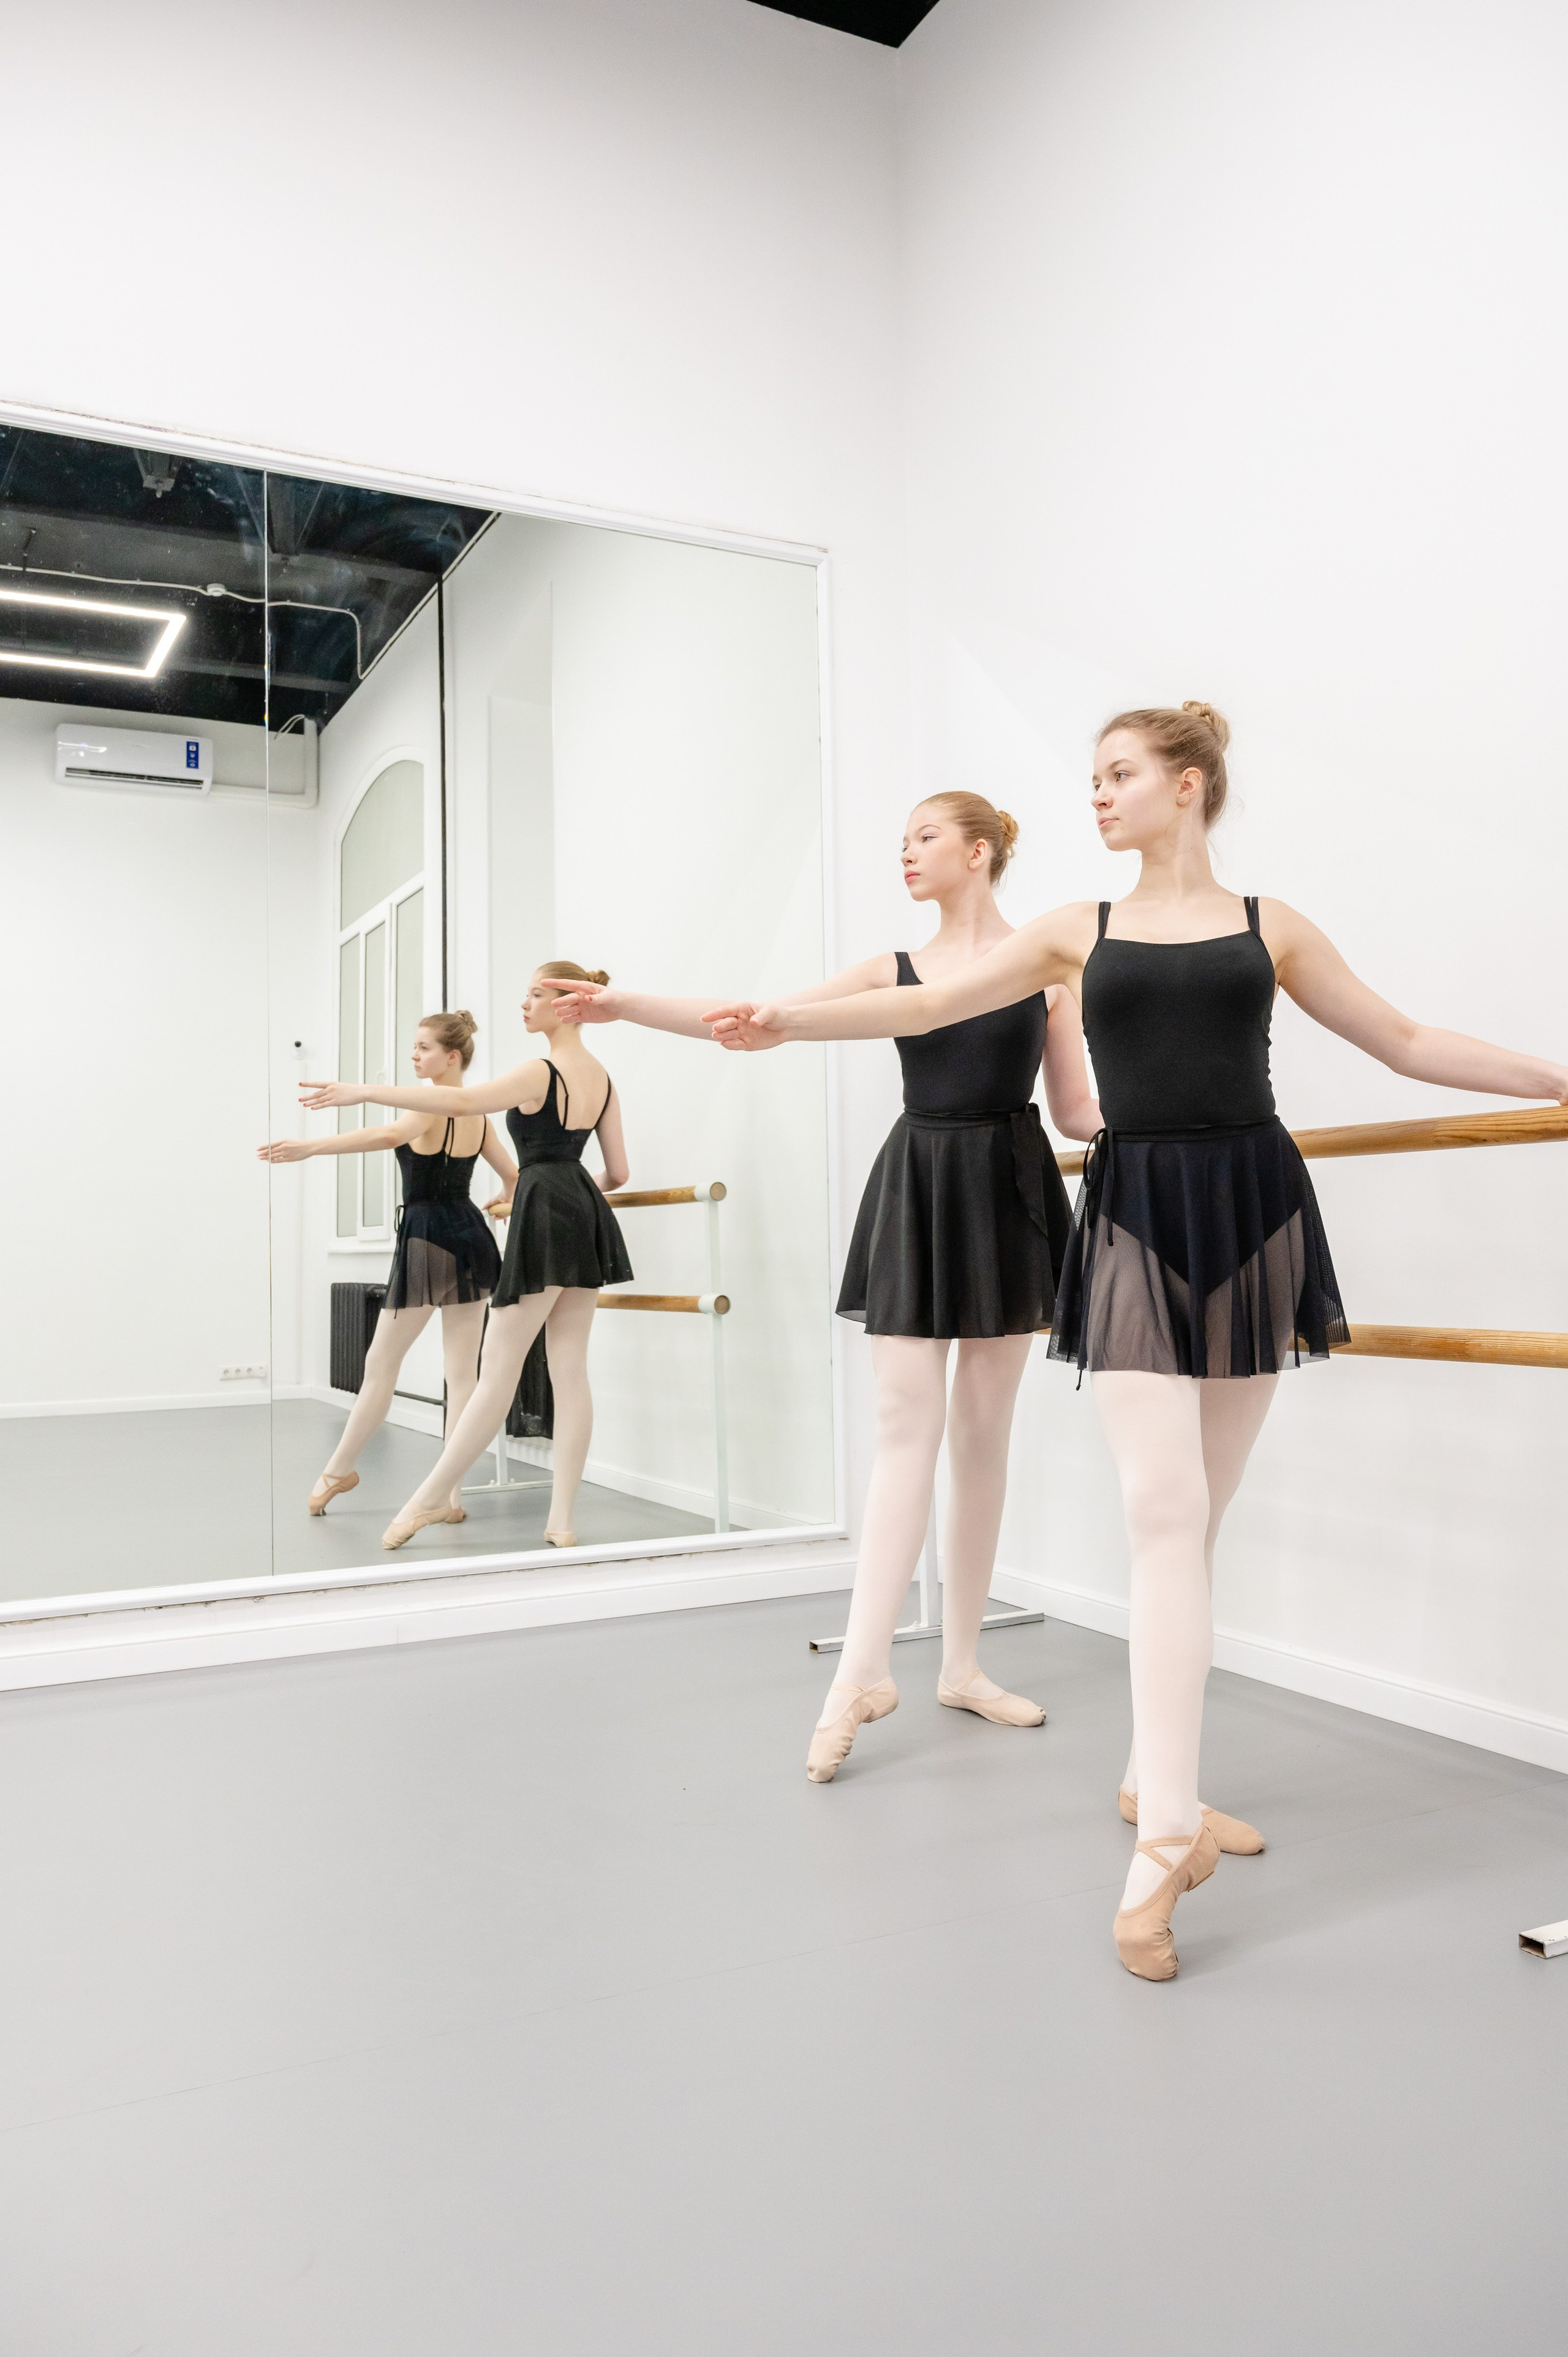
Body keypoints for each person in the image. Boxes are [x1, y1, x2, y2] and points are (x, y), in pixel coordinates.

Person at [703, 704, 1568, 1978]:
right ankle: (1165, 1836)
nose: (1096, 797)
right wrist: (777, 1020)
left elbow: (1402, 1039)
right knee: (1161, 1515)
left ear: (1186, 785)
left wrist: (1553, 1078)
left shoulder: (1272, 925)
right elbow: (929, 1002)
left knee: (1194, 1520)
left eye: (1117, 776)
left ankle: (1148, 1779)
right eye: (1092, 778)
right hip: (1133, 1214)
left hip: (1256, 1211)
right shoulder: (1072, 929)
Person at [551, 794, 1101, 1779]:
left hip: (1009, 1189)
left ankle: (965, 1665)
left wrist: (1175, 1127)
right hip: (923, 1183)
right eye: (901, 841)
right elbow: (757, 1017)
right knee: (905, 1427)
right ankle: (860, 1671)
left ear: (979, 852)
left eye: (925, 837)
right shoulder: (890, 971)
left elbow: (1074, 1111)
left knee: (984, 1437)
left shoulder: (1047, 972)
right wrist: (621, 1004)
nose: (906, 853)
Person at [300, 963, 631, 1552]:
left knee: (495, 1372)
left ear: (569, 1005)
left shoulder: (540, 1070)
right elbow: (619, 1174)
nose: (523, 1004)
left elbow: (467, 1100)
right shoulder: (603, 1078)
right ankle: (561, 1522)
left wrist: (363, 1091)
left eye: (535, 995)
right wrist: (555, 1197)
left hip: (543, 1213)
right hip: (583, 1211)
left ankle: (431, 1498)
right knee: (569, 1370)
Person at [259, 1009, 516, 1518]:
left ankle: (339, 1471)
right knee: (462, 1375)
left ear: (452, 1057)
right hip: (470, 1238)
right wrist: (502, 1204)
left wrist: (310, 1147)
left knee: (380, 1366)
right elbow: (513, 1177)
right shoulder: (479, 1115)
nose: (414, 1056)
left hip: (428, 1240)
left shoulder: (428, 1106)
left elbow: (384, 1137)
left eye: (423, 1048)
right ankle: (448, 1496)